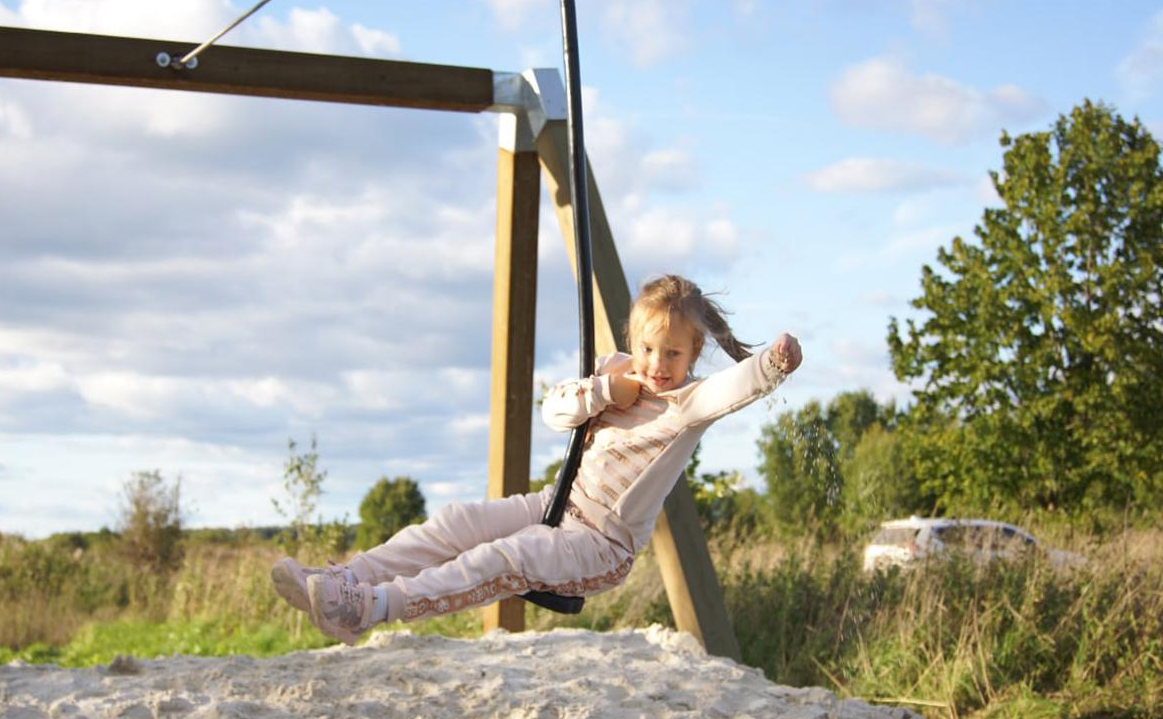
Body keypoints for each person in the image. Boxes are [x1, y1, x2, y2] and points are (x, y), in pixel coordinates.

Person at [271, 274, 802, 644]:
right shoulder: (615, 372)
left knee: (506, 556)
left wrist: (772, 364)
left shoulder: (687, 404)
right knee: (458, 522)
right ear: (632, 341)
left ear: (693, 353)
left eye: (673, 354)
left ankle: (371, 608)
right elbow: (554, 410)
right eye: (647, 348)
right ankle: (347, 579)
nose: (657, 364)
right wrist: (605, 392)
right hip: (556, 503)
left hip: (599, 544)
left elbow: (734, 388)